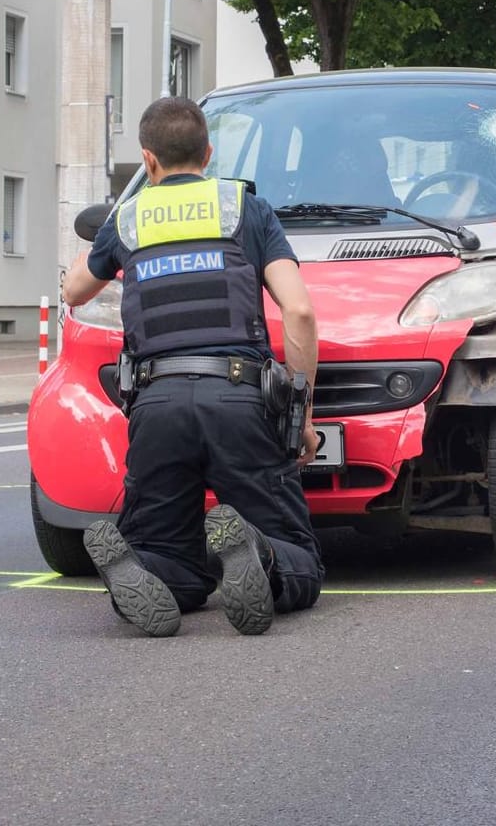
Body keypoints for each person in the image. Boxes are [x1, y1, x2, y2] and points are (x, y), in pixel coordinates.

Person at [61, 95, 324, 637]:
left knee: (164, 548)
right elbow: (298, 311)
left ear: (148, 160)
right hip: (237, 394)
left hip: (156, 406)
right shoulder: (245, 208)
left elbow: (74, 290)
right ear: (208, 152)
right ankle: (259, 550)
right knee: (299, 556)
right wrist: (304, 416)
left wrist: (115, 222)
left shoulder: (129, 218)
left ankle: (145, 569)